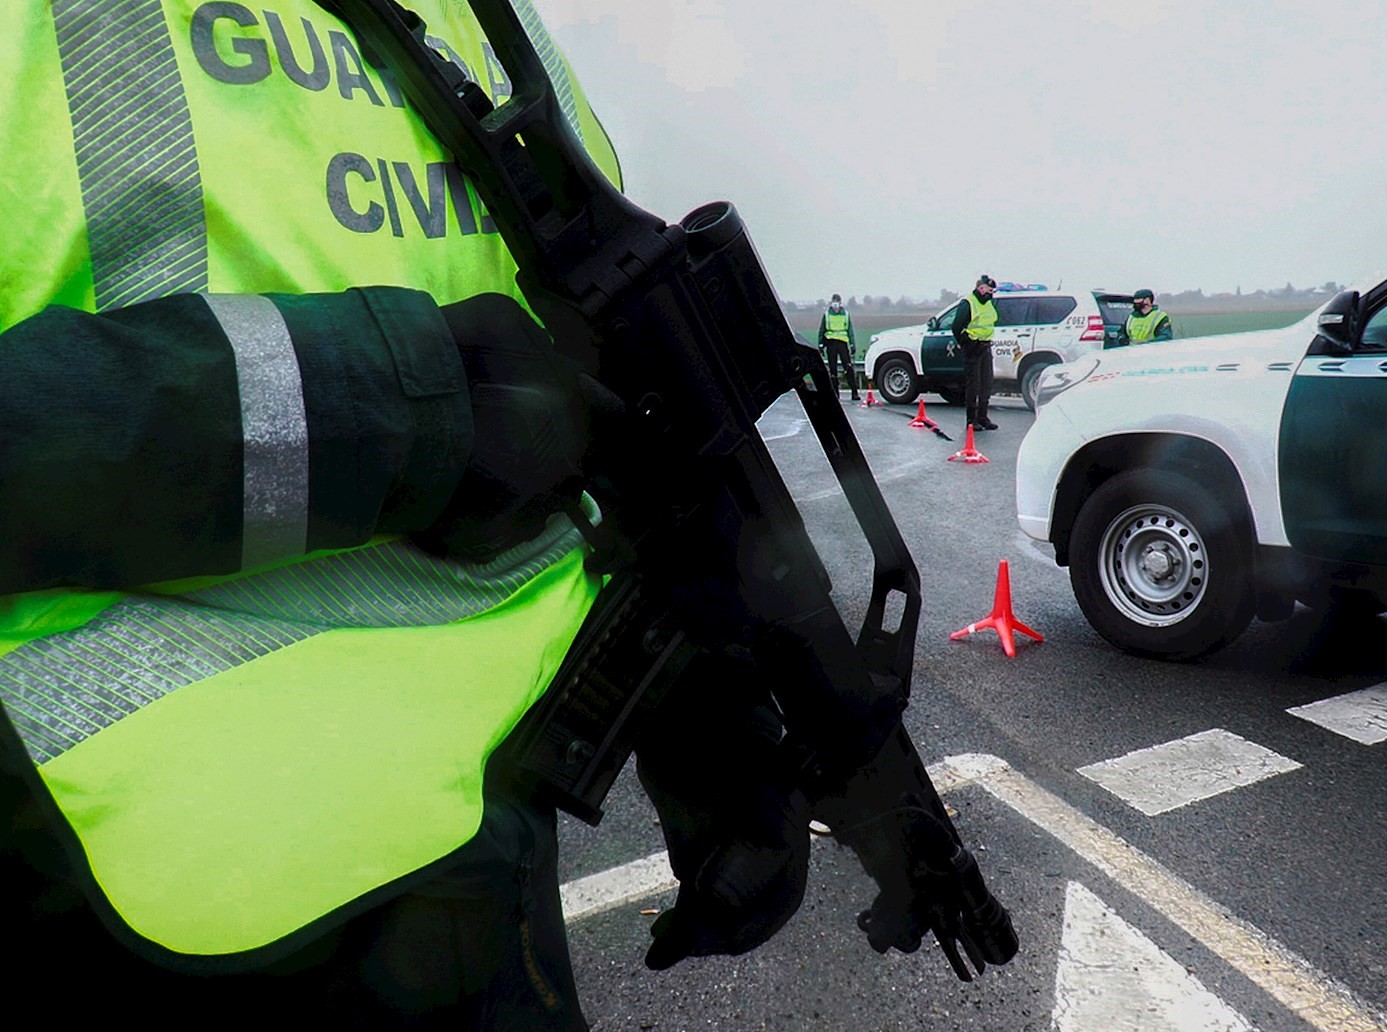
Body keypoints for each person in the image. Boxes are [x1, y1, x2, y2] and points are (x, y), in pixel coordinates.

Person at [0, 2, 811, 1025]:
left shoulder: (502, 33)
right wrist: (396, 409)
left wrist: (711, 715)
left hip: (484, 881)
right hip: (119, 904)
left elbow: (616, 433)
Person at [950, 274, 999, 430]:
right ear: (981, 288)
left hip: (986, 346)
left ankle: (983, 417)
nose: (991, 294)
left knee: (986, 383)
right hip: (973, 347)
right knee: (974, 385)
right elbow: (956, 326)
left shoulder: (988, 303)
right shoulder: (968, 303)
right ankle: (971, 420)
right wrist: (965, 343)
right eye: (989, 290)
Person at [818, 293, 859, 401]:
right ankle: (835, 393)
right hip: (831, 343)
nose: (835, 304)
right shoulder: (827, 314)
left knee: (848, 367)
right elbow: (822, 330)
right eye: (834, 301)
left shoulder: (845, 314)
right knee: (833, 369)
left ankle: (854, 392)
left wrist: (852, 344)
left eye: (837, 301)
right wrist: (820, 345)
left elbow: (850, 331)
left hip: (842, 343)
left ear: (840, 303)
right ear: (831, 303)